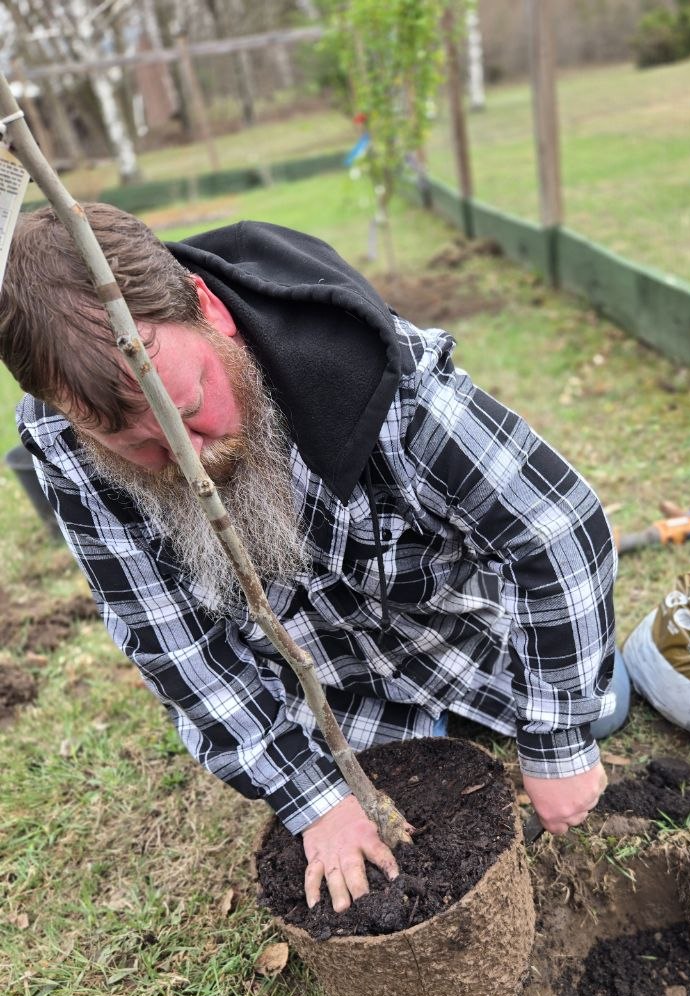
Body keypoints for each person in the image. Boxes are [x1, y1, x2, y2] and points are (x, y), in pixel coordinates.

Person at [0, 203, 628, 912]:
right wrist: (314, 797)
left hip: (457, 638)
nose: (187, 459)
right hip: (328, 692)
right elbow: (176, 647)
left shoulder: (371, 371)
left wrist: (556, 739)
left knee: (594, 713)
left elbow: (555, 528)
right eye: (139, 446)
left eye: (192, 407)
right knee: (389, 795)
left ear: (209, 310)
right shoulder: (71, 444)